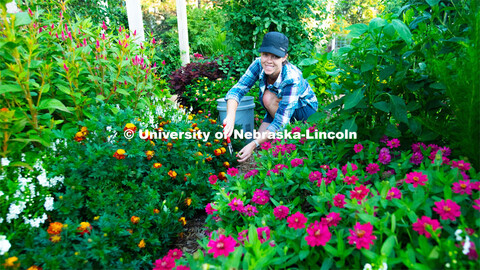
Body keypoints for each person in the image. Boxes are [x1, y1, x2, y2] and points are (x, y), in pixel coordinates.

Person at [223, 31, 318, 162]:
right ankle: (279, 139)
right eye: (265, 54)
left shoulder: (292, 78)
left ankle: (290, 137)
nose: (268, 61)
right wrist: (230, 116)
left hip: (304, 112)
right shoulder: (258, 64)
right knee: (261, 149)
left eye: (275, 57)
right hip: (278, 108)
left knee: (263, 143)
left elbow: (280, 122)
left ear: (284, 57)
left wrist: (253, 143)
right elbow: (238, 90)